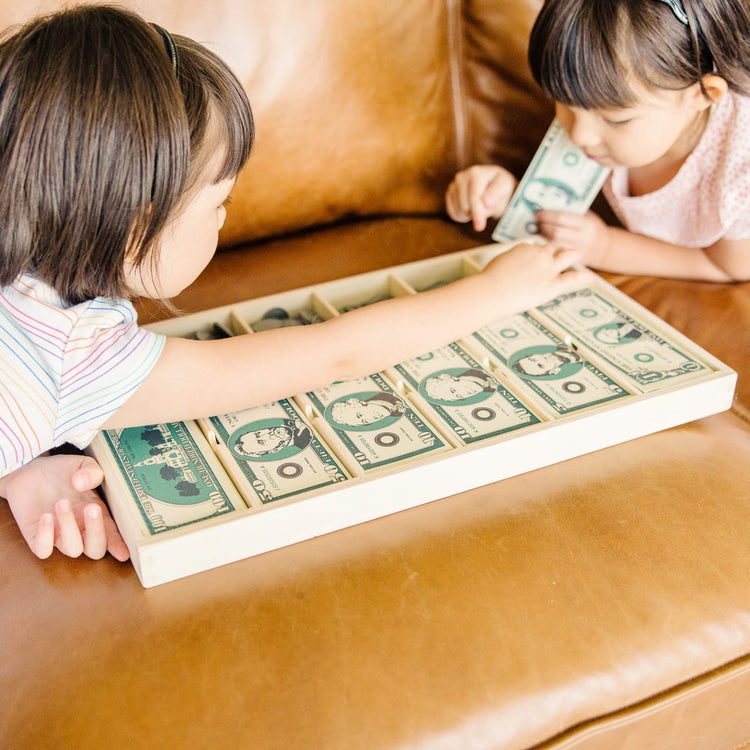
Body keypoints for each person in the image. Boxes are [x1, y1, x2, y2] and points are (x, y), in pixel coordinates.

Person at [0, 5, 584, 563]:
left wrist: (18, 464)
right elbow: (337, 355)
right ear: (134, 230)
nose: (226, 216)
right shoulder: (78, 355)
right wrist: (496, 292)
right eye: (219, 201)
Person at [445, 0, 750, 282]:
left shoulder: (739, 169)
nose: (578, 135)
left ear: (703, 94)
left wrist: (605, 247)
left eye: (615, 120)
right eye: (562, 103)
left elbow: (727, 265)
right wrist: (503, 197)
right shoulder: (595, 109)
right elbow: (554, 204)